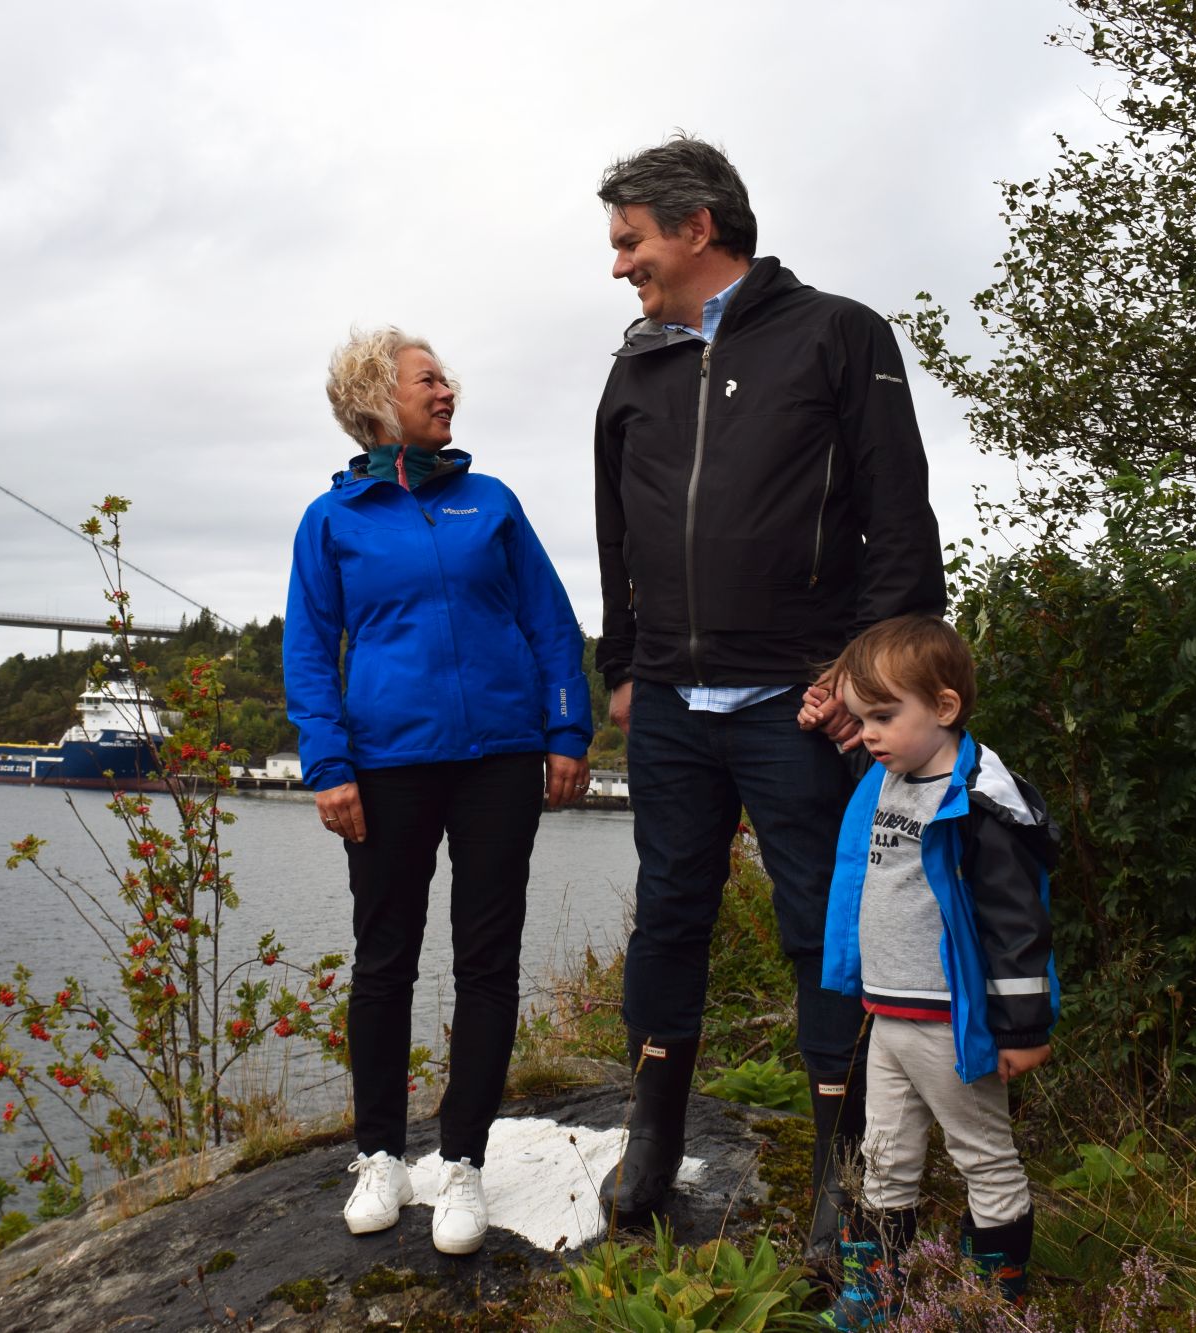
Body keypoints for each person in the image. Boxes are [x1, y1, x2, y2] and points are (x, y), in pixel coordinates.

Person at [588, 134, 946, 1252]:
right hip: (669, 703)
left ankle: (845, 1170)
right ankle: (651, 1138)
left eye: (630, 241)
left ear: (697, 227)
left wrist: (863, 676)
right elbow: (613, 531)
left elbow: (899, 518)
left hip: (801, 701)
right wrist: (622, 668)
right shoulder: (634, 368)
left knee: (821, 928)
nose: (618, 264)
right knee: (668, 918)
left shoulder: (837, 334)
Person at [284, 327, 593, 1255]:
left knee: (487, 959)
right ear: (377, 399)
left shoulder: (490, 501)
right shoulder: (331, 520)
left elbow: (551, 622)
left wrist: (566, 730)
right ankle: (380, 1153)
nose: (447, 389)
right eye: (428, 379)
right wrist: (328, 764)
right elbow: (310, 649)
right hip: (387, 765)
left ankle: (462, 1161)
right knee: (384, 961)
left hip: (500, 758)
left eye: (445, 378)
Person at [815, 615, 1057, 1327]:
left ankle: (992, 1303)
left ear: (945, 707)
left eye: (883, 717)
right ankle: (874, 1295)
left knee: (984, 1157)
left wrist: (1024, 1028)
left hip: (953, 1020)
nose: (869, 734)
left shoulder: (977, 801)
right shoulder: (888, 776)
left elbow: (1017, 925)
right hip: (889, 1017)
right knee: (884, 1156)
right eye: (861, 719)